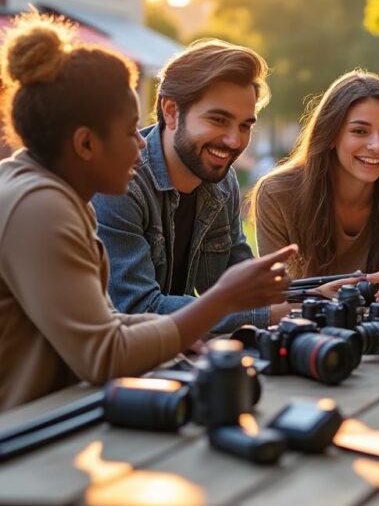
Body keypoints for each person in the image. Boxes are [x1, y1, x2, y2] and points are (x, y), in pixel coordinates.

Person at [0, 12, 296, 410]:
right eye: (129, 131)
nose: (141, 144)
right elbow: (104, 354)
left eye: (245, 125)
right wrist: (222, 300)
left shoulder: (52, 196)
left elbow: (108, 322)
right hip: (22, 434)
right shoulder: (39, 207)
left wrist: (176, 333)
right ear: (86, 144)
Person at [92, 38, 274, 332]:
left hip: (177, 351)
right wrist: (269, 315)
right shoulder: (121, 183)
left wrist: (312, 296)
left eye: (245, 126)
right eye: (218, 120)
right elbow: (138, 309)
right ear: (171, 111)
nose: (234, 141)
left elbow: (245, 288)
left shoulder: (222, 181)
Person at [253, 70, 379, 299]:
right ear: (330, 134)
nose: (377, 146)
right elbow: (272, 299)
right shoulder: (277, 194)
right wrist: (317, 297)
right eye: (360, 131)